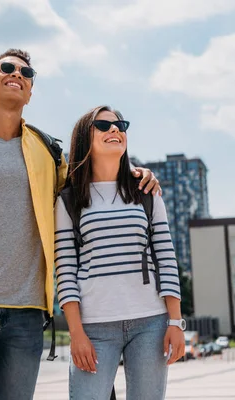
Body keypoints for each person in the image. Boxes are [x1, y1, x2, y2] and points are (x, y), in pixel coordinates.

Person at [0, 50, 160, 400]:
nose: (17, 73)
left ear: (29, 91)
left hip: (28, 313)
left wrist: (134, 170)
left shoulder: (47, 152)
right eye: (7, 68)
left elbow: (86, 182)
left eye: (26, 72)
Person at [54, 105, 185, 399]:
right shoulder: (69, 199)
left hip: (151, 323)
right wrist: (76, 334)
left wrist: (175, 322)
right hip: (94, 328)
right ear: (84, 138)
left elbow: (166, 258)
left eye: (120, 125)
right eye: (103, 125)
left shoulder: (146, 191)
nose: (115, 130)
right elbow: (64, 270)